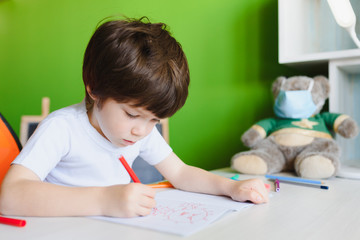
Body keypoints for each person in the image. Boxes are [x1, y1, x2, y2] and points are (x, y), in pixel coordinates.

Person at [0, 17, 268, 218]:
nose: (142, 130)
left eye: (153, 120)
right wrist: (105, 200)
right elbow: (10, 197)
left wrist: (231, 188)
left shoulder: (140, 132)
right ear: (93, 88)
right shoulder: (62, 129)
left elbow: (181, 173)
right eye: (131, 114)